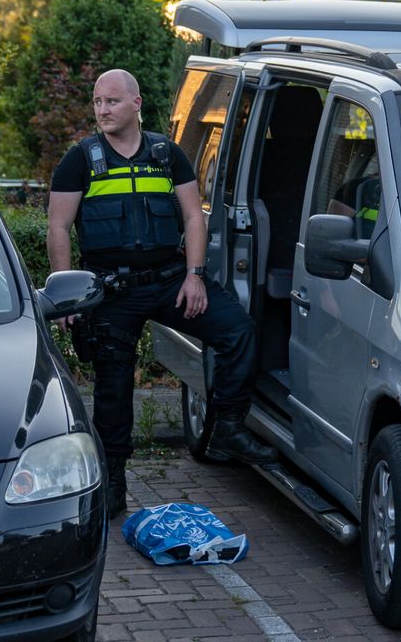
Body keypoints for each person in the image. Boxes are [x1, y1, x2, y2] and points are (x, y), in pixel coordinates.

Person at [47, 69, 277, 518]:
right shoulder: (81, 158)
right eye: (97, 102)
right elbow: (57, 227)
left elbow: (194, 217)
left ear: (136, 103)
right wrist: (64, 293)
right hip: (110, 292)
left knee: (237, 330)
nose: (102, 111)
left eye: (111, 102)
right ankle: (112, 485)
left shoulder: (166, 154)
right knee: (114, 391)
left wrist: (194, 275)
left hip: (170, 281)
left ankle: (227, 427)